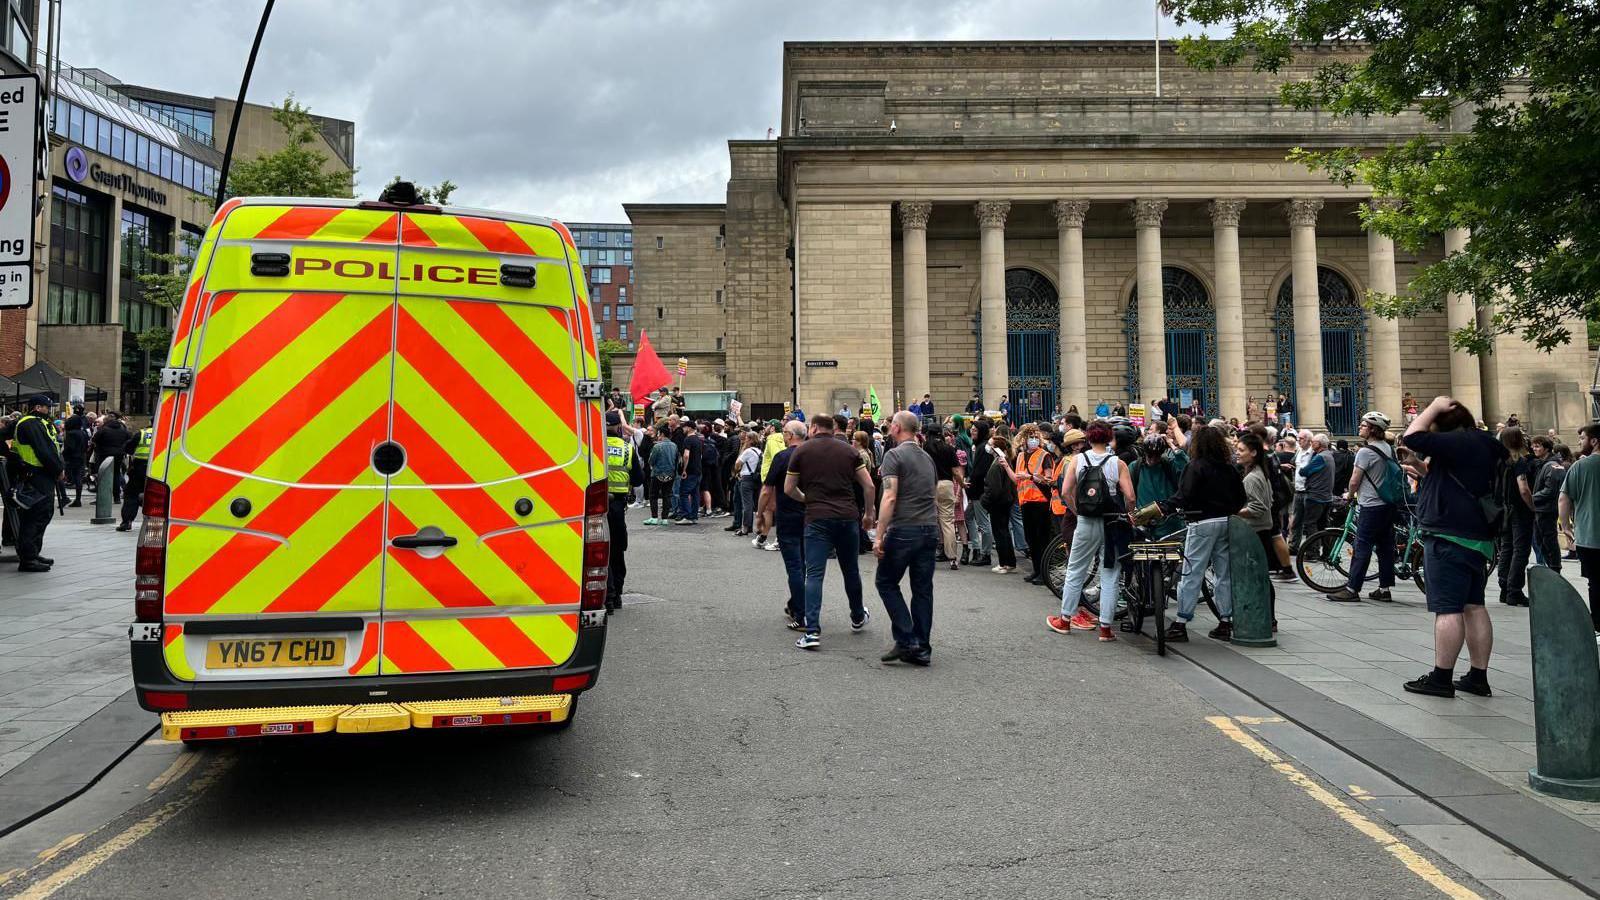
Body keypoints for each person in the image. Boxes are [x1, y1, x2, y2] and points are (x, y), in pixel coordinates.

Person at [1400, 396, 1506, 698]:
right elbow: (1460, 478)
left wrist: (1433, 406)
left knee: (1448, 609)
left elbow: (1412, 435)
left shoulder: (1457, 441)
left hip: (1448, 537)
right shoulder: (1485, 443)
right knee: (1474, 606)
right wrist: (1421, 468)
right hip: (1477, 537)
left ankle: (1441, 677)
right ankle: (1477, 676)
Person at [786, 414, 876, 650]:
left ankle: (812, 630)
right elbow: (868, 485)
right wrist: (868, 513)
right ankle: (857, 615)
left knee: (814, 574)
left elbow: (789, 489)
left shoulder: (802, 452)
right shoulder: (849, 451)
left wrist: (808, 499)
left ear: (814, 427)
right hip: (847, 516)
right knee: (851, 570)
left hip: (817, 517)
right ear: (833, 427)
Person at [1149, 425, 1246, 642]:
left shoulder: (1196, 466)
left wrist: (1164, 508)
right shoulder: (1229, 468)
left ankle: (1181, 623)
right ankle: (1225, 621)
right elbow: (1241, 497)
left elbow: (1183, 495)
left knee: (1192, 572)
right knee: (1224, 574)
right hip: (1226, 521)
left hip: (1202, 522)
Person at [1046, 421, 1134, 641]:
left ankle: (1065, 620)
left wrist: (1077, 512)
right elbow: (1130, 497)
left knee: (1076, 569)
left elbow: (1065, 491)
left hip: (1086, 521)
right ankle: (1105, 628)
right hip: (1112, 522)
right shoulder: (1118, 463)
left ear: (1088, 438)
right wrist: (1127, 513)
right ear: (1109, 438)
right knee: (1111, 573)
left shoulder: (1078, 460)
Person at [874, 411, 938, 665]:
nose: (889, 429)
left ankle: (906, 639)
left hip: (904, 528)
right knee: (923, 589)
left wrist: (879, 535)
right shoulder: (927, 458)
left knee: (886, 582)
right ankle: (921, 647)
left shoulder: (894, 455)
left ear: (898, 428)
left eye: (891, 426)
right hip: (928, 528)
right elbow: (931, 494)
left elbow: (889, 496)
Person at [1328, 413, 1401, 602]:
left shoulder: (1365, 452)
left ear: (1373, 430)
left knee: (1362, 546)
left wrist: (1349, 495)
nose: (1360, 427)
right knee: (1385, 547)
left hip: (1371, 505)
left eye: (1363, 425)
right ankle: (1384, 589)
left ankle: (1352, 589)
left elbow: (1354, 480)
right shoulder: (1387, 448)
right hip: (1388, 504)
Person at [7, 396, 64, 572]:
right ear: (38, 407)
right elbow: (44, 450)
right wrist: (58, 469)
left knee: (43, 514)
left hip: (40, 474)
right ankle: (28, 558)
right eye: (48, 407)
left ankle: (33, 553)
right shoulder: (31, 423)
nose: (49, 410)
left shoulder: (36, 423)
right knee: (34, 517)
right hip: (36, 474)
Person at [1559, 424, 1600, 645]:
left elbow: (1564, 499)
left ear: (1594, 441)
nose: (1579, 442)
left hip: (1590, 536)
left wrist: (1565, 527)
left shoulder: (1581, 467)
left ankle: (1598, 625)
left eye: (1582, 438)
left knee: (1596, 583)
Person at [765, 421, 809, 628]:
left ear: (791, 435)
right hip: (811, 516)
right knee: (804, 565)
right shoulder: (813, 456)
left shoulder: (782, 457)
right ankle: (796, 604)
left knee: (794, 566)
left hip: (788, 516)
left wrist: (761, 514)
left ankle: (801, 612)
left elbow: (767, 488)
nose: (783, 436)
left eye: (784, 432)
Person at [1007, 424, 1057, 585]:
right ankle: (1036, 570)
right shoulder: (1020, 456)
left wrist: (1030, 477)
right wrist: (1006, 466)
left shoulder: (1045, 456)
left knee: (1041, 539)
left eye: (1036, 437)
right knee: (1031, 539)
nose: (1034, 440)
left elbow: (1049, 480)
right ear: (1024, 439)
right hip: (1025, 501)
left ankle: (1044, 573)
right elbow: (1016, 478)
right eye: (1031, 437)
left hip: (1040, 501)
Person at [603, 411, 643, 611]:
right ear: (619, 427)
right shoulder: (627, 448)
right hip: (618, 507)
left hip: (597, 506)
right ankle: (617, 595)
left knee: (601, 552)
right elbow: (638, 480)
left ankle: (606, 596)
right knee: (617, 551)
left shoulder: (595, 448)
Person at [1493, 426, 1535, 606]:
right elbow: (1524, 489)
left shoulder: (1499, 461)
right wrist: (1533, 507)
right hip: (1519, 510)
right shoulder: (1519, 461)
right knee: (1520, 550)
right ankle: (1514, 590)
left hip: (1502, 510)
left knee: (1507, 548)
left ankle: (1504, 587)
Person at [924, 423, 962, 569]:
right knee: (948, 523)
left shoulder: (925, 448)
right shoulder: (949, 449)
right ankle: (952, 558)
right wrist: (962, 485)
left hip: (930, 485)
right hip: (946, 485)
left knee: (929, 521)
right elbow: (956, 472)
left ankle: (927, 554)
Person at [1530, 438, 1566, 571]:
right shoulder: (1542, 464)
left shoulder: (1552, 465)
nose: (1534, 448)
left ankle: (1555, 570)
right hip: (1541, 509)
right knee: (1542, 541)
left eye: (1538, 446)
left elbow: (1550, 491)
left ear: (1546, 448)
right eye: (1533, 446)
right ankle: (1551, 569)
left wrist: (1531, 499)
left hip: (1547, 510)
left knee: (1549, 541)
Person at [984, 435, 1018, 573]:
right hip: (1005, 501)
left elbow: (995, 488)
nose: (988, 446)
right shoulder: (1003, 461)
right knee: (1003, 532)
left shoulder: (999, 463)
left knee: (1000, 533)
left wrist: (986, 500)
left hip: (999, 503)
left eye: (990, 444)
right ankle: (1008, 562)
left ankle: (1005, 563)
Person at [1295, 433, 1336, 546]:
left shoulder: (1320, 457)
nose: (1311, 444)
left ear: (1319, 444)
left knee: (1311, 524)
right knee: (1323, 525)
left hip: (1316, 496)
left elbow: (1304, 471)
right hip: (1326, 496)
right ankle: (1327, 552)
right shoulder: (1329, 455)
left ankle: (1312, 551)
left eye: (1313, 442)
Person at [966, 417, 995, 568]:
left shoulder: (983, 448)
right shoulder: (979, 446)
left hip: (979, 491)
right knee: (968, 516)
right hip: (975, 490)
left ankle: (986, 553)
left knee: (983, 523)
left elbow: (981, 471)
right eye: (972, 429)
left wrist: (970, 482)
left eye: (975, 430)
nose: (972, 431)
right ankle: (977, 548)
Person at [116, 424, 154, 532]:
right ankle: (154, 523)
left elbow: (128, 448)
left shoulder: (143, 433)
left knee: (131, 495)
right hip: (160, 469)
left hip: (139, 469)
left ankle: (127, 522)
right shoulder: (168, 434)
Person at [645, 424, 678, 525]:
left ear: (662, 434)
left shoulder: (657, 446)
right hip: (670, 474)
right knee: (666, 495)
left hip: (657, 473)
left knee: (653, 495)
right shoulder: (674, 445)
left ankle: (654, 517)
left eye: (659, 434)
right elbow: (676, 459)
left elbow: (651, 461)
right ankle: (664, 518)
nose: (658, 436)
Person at [675, 421, 704, 525]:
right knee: (695, 494)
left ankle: (686, 515)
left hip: (690, 470)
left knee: (684, 493)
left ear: (689, 428)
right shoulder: (698, 439)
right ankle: (693, 516)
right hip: (698, 469)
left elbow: (686, 455)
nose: (683, 429)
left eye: (684, 427)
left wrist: (684, 470)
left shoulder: (688, 439)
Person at [733, 432, 762, 536]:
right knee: (756, 504)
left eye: (746, 438)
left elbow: (737, 463)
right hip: (757, 478)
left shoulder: (748, 451)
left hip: (746, 478)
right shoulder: (759, 451)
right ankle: (758, 527)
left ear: (749, 440)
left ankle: (745, 527)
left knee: (747, 504)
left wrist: (737, 471)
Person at [61, 407, 88, 508]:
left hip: (72, 458)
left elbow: (69, 447)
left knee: (67, 477)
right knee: (78, 478)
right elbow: (86, 446)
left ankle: (66, 498)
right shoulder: (83, 433)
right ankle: (78, 498)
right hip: (80, 456)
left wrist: (64, 455)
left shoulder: (71, 434)